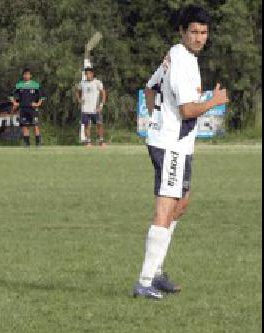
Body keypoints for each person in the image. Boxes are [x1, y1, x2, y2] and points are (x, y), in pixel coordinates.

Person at [131, 4, 229, 300]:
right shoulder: (183, 61)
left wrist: (156, 119)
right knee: (165, 209)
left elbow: (149, 89)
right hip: (171, 145)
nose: (200, 38)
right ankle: (145, 280)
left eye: (204, 32)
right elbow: (187, 110)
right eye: (194, 32)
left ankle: (157, 272)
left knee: (180, 204)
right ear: (182, 32)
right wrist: (215, 100)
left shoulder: (176, 55)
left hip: (176, 143)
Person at [9, 68, 46, 148]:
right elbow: (11, 95)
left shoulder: (35, 85)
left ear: (30, 75)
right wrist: (14, 102)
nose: (26, 76)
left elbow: (42, 96)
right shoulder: (19, 85)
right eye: (25, 74)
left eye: (28, 74)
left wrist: (38, 104)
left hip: (33, 109)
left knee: (36, 125)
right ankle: (26, 144)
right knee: (25, 126)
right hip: (23, 108)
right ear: (23, 75)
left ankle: (38, 143)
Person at [76, 67, 107, 147]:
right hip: (85, 109)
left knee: (99, 124)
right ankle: (88, 141)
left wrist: (101, 105)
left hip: (95, 108)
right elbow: (77, 91)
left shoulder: (97, 82)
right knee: (86, 125)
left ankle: (101, 140)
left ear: (92, 74)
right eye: (86, 73)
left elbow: (103, 93)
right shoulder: (82, 83)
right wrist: (79, 100)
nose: (88, 75)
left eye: (89, 73)